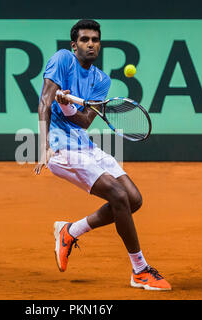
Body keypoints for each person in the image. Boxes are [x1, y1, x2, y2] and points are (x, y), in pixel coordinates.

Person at [34, 19, 171, 291]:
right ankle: (140, 270)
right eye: (84, 40)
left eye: (95, 40)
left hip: (83, 144)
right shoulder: (62, 60)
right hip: (60, 147)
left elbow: (84, 121)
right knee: (118, 196)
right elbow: (44, 103)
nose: (91, 44)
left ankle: (70, 231)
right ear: (74, 46)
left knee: (133, 199)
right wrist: (42, 148)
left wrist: (70, 107)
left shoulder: (101, 80)